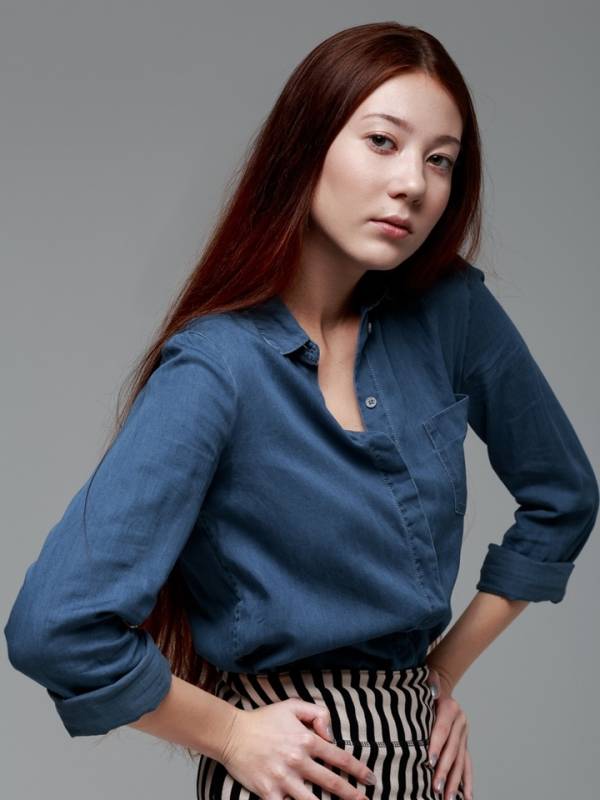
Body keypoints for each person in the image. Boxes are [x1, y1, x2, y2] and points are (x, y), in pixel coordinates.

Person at [4, 20, 598, 800]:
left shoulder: (449, 312)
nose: (413, 184)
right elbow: (55, 625)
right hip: (291, 770)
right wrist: (231, 734)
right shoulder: (217, 366)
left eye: (440, 160)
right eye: (382, 141)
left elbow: (564, 496)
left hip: (419, 756)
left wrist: (436, 680)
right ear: (307, 145)